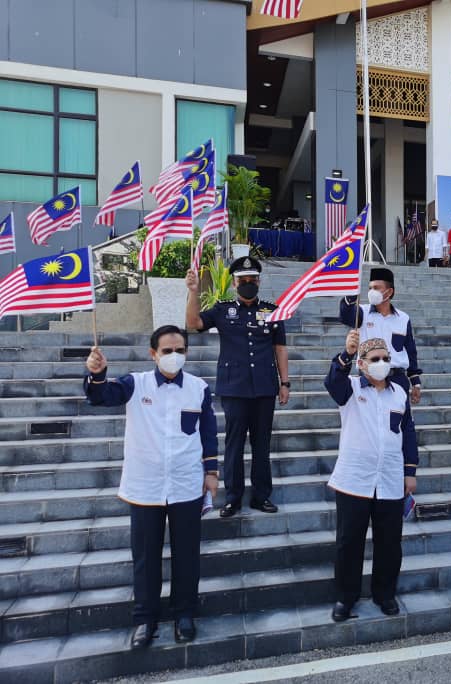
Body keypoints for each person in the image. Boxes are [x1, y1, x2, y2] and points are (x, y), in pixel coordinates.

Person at [84, 325, 218, 648]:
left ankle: (184, 613)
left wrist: (211, 472)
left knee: (187, 555)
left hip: (186, 484)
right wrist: (97, 374)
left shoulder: (198, 388)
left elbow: (209, 432)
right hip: (145, 486)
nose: (175, 356)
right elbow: (101, 396)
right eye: (168, 350)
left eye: (181, 350)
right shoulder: (134, 384)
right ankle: (145, 618)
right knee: (145, 556)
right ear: (153, 354)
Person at [324, 332, 418, 621]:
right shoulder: (350, 389)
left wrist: (410, 471)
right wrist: (346, 353)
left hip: (389, 479)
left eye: (386, 359)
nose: (382, 363)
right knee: (349, 542)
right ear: (362, 365)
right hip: (355, 480)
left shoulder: (399, 394)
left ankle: (385, 594)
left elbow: (408, 433)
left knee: (389, 543)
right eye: (375, 359)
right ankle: (345, 598)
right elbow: (332, 381)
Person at [186, 256, 289, 518]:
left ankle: (261, 496)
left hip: (265, 388)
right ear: (234, 283)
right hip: (234, 389)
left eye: (252, 280)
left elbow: (280, 348)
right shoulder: (222, 310)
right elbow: (194, 323)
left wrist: (284, 382)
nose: (248, 284)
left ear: (259, 281)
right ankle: (232, 498)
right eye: (243, 280)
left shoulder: (272, 310)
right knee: (233, 446)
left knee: (262, 445)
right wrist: (194, 292)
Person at [339, 267, 422, 402]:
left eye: (377, 288)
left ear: (389, 292)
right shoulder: (362, 313)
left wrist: (415, 382)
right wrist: (350, 297)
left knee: (399, 421)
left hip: (397, 378)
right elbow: (345, 315)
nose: (372, 292)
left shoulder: (403, 318)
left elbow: (411, 351)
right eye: (370, 287)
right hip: (368, 378)